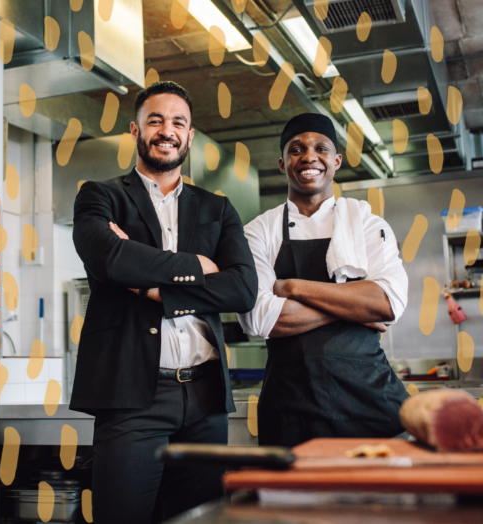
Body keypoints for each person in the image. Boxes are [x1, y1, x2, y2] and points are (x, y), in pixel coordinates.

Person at [70, 81, 258, 523]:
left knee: (203, 518)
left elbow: (242, 289)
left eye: (178, 122)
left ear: (190, 136)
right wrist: (199, 266)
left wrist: (151, 284)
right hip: (133, 395)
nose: (166, 130)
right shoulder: (99, 196)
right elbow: (109, 257)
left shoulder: (219, 208)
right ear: (135, 130)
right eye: (155, 120)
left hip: (206, 396)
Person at [237, 113, 409, 448]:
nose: (309, 157)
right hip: (289, 406)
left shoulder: (368, 224)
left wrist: (291, 287)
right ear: (283, 163)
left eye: (321, 148)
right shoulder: (258, 231)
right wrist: (356, 306)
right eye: (296, 149)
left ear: (336, 160)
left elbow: (388, 303)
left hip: (369, 401)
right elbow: (259, 318)